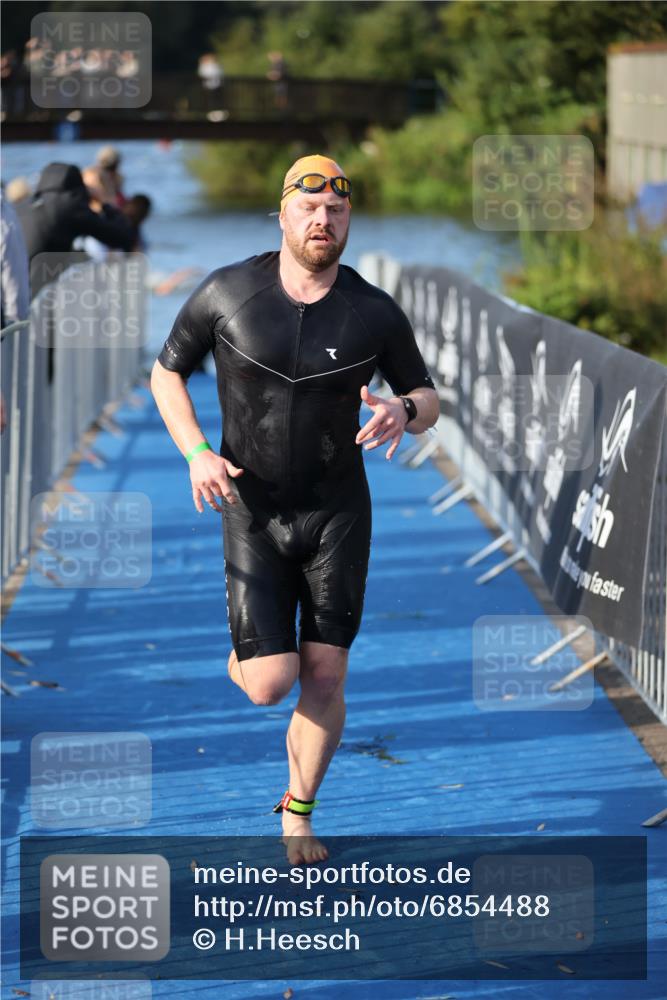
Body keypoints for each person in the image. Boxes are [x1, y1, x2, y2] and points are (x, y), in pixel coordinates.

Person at [150, 154, 439, 865]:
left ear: (347, 221)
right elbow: (165, 374)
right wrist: (195, 453)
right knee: (267, 685)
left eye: (336, 211)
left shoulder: (372, 310)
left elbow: (427, 396)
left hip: (337, 510)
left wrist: (403, 410)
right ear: (281, 214)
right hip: (251, 507)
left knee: (326, 675)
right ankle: (255, 649)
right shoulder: (226, 292)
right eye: (309, 209)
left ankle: (298, 812)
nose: (322, 221)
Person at [16, 162, 135, 293]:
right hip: (31, 292)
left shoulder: (23, 206)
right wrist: (106, 202)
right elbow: (124, 238)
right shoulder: (71, 208)